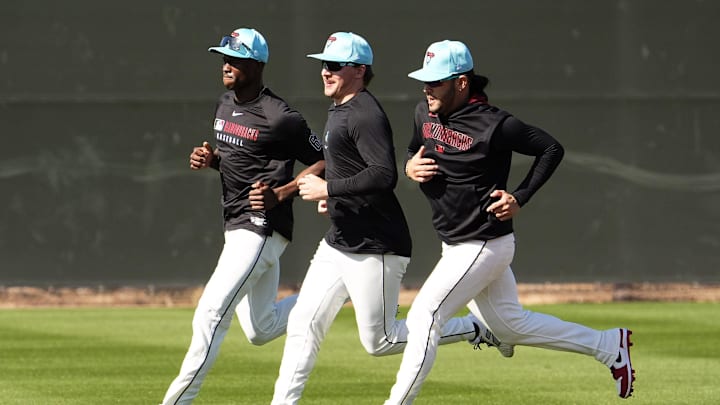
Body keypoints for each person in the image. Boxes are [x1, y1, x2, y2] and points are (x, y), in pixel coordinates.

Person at [384, 40, 635, 404]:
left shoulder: (495, 124)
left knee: (424, 315)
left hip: (483, 242)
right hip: (455, 242)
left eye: (436, 81)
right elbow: (412, 149)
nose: (427, 87)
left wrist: (520, 195)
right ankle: (608, 345)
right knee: (508, 325)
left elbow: (551, 148)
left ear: (461, 83)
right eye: (425, 80)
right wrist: (409, 166)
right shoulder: (424, 111)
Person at [269, 32, 511, 405]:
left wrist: (328, 190)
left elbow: (384, 175)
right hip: (340, 241)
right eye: (323, 64)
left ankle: (477, 328)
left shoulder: (365, 113)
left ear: (359, 71)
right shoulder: (340, 108)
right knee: (303, 322)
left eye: (334, 65)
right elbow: (354, 172)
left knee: (380, 342)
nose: (324, 72)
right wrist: (334, 200)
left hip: (376, 247)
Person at [159, 27, 325, 405]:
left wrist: (282, 192)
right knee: (261, 328)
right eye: (224, 57)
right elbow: (241, 161)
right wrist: (213, 160)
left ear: (258, 64)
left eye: (235, 58)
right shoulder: (224, 103)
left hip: (261, 229)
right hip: (235, 225)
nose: (226, 64)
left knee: (210, 313)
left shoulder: (280, 115)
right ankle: (340, 288)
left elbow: (325, 160)